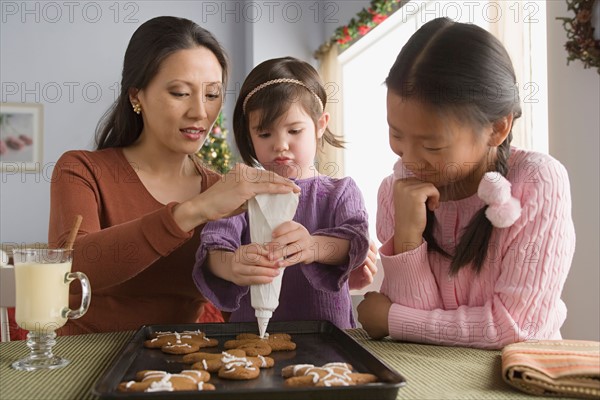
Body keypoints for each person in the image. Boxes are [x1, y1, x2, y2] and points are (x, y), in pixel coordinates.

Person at [48, 16, 300, 335]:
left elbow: (242, 305)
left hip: (178, 363)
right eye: (180, 93)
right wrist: (193, 211)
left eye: (212, 94)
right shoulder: (81, 170)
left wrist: (332, 252)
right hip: (85, 359)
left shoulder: (220, 191)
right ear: (136, 96)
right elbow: (72, 268)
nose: (200, 112)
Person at [357, 18, 576, 349]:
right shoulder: (395, 192)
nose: (410, 160)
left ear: (498, 128)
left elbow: (515, 328)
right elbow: (417, 344)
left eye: (432, 145)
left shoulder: (537, 181)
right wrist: (407, 238)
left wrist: (392, 319)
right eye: (396, 134)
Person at [192, 57, 374, 329]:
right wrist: (231, 264)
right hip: (251, 337)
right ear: (249, 134)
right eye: (264, 133)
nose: (280, 145)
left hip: (330, 336)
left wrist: (312, 246)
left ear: (320, 124)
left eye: (294, 131)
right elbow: (213, 247)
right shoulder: (241, 192)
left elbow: (354, 241)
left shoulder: (340, 192)